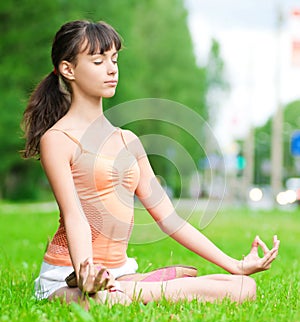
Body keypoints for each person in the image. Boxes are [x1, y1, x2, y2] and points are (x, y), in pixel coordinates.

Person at [22, 20, 280, 306]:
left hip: (117, 274)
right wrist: (86, 273)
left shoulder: (128, 141)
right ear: (68, 69)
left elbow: (169, 219)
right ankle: (156, 286)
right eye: (98, 61)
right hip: (68, 275)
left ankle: (144, 286)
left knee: (244, 287)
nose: (111, 69)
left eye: (114, 59)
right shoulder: (58, 139)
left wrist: (235, 265)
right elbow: (74, 216)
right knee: (104, 301)